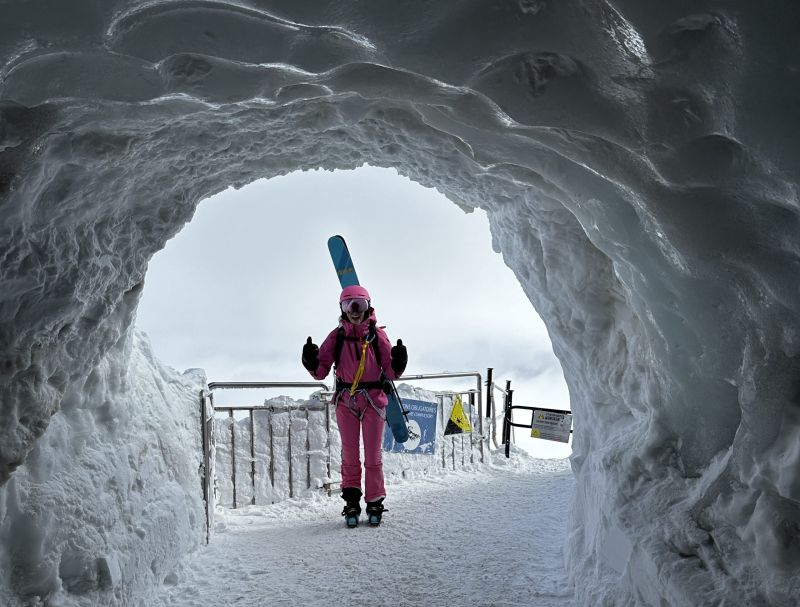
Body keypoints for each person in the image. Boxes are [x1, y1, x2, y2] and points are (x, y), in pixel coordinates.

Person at [302, 285, 407, 527]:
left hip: (373, 400)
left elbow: (390, 371)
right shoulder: (337, 336)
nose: (354, 311)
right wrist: (310, 360)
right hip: (346, 401)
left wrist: (399, 361)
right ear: (342, 308)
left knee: (372, 455)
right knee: (349, 454)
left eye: (358, 304)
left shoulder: (377, 336)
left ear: (368, 306)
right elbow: (320, 371)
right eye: (349, 305)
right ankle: (351, 501)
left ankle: (374, 502)